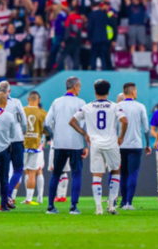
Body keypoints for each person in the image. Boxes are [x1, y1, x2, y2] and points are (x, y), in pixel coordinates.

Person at [70, 79, 128, 215]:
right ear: (108, 92)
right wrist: (121, 137)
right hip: (111, 143)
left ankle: (98, 207)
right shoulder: (115, 106)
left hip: (95, 144)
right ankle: (111, 205)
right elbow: (124, 120)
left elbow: (72, 121)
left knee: (97, 175)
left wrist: (85, 134)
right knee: (115, 172)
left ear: (95, 92)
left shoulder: (87, 106)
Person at [44, 76, 88, 214]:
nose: (80, 89)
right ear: (74, 87)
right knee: (76, 174)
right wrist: (85, 144)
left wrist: (53, 136)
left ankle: (50, 206)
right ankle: (73, 207)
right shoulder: (81, 102)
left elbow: (46, 123)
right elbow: (84, 124)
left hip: (59, 144)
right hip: (76, 144)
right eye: (79, 86)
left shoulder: (56, 102)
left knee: (56, 174)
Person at [118, 82, 151, 210]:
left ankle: (123, 201)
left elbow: (114, 127)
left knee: (123, 174)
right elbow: (146, 128)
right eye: (136, 91)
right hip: (135, 145)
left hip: (120, 145)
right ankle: (128, 203)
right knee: (133, 174)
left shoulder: (118, 106)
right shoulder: (140, 107)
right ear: (132, 92)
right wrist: (148, 144)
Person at [0, 81, 27, 205]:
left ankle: (4, 198)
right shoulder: (16, 102)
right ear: (9, 91)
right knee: (18, 169)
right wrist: (24, 131)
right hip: (17, 139)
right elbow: (23, 119)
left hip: (2, 141)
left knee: (4, 170)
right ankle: (8, 195)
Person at [23, 91, 47, 205]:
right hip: (36, 146)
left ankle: (11, 198)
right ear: (39, 100)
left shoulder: (22, 111)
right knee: (33, 172)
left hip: (22, 146)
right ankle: (29, 198)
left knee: (21, 171)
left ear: (28, 99)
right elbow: (47, 130)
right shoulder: (43, 113)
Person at [87, 2, 109, 71]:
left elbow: (90, 27)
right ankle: (104, 70)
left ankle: (93, 70)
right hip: (103, 38)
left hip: (95, 38)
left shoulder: (91, 14)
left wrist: (88, 37)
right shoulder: (104, 14)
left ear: (92, 7)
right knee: (102, 55)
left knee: (94, 55)